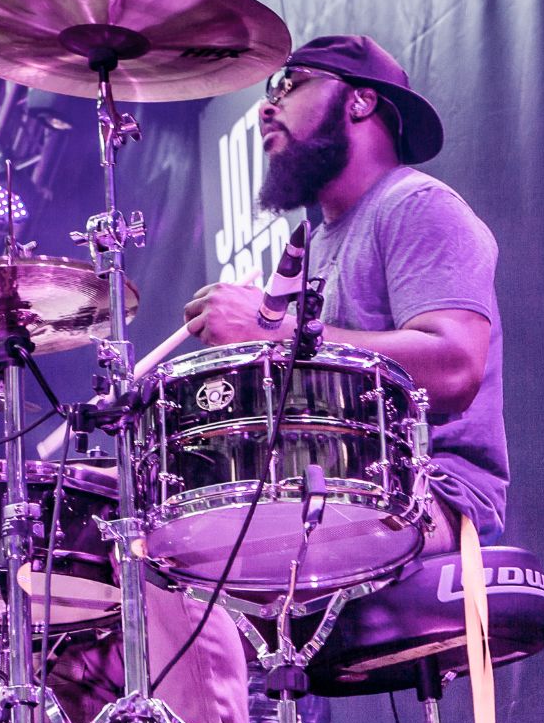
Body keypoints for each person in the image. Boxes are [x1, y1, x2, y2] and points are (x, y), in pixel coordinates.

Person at [183, 33, 508, 551]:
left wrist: (270, 332)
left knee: (196, 556)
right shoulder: (317, 245)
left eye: (288, 86)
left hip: (427, 497)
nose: (268, 108)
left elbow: (455, 367)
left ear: (360, 100)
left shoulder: (414, 203)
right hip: (331, 490)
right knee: (157, 543)